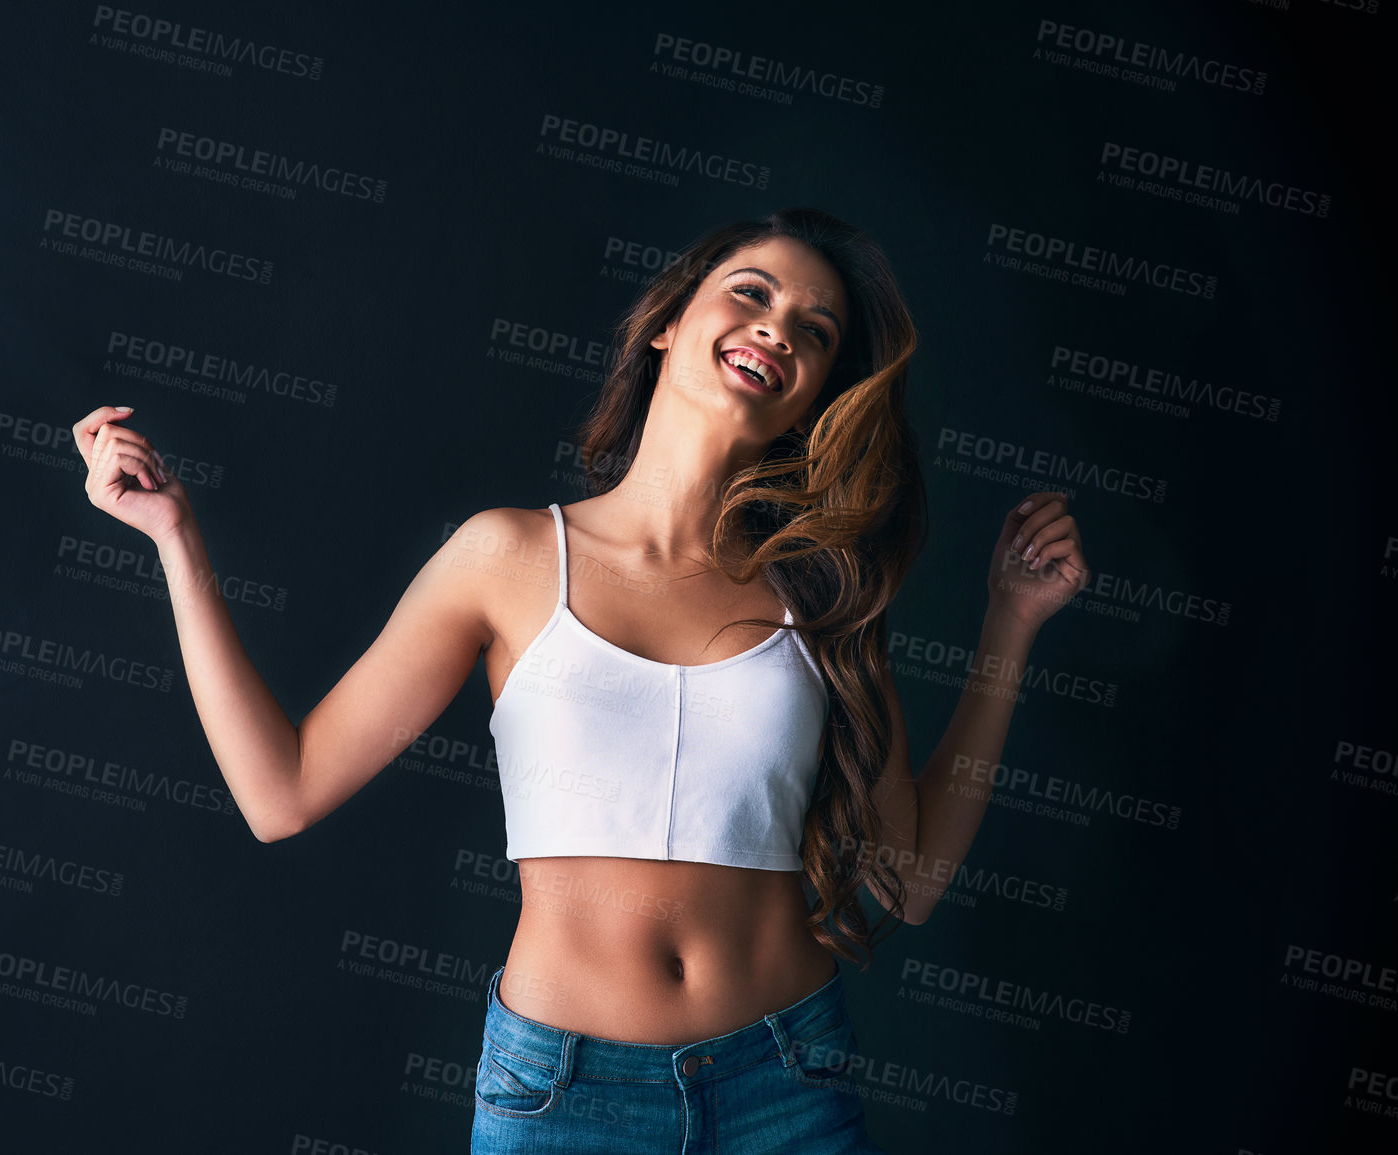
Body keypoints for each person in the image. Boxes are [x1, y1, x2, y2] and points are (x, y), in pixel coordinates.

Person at [71, 208, 1091, 1153]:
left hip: (789, 1080)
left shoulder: (819, 597)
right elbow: (280, 791)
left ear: (817, 394)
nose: (778, 326)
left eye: (815, 330)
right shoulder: (506, 557)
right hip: (562, 1097)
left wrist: (1011, 621)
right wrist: (176, 539)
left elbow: (906, 882)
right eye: (750, 292)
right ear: (670, 324)